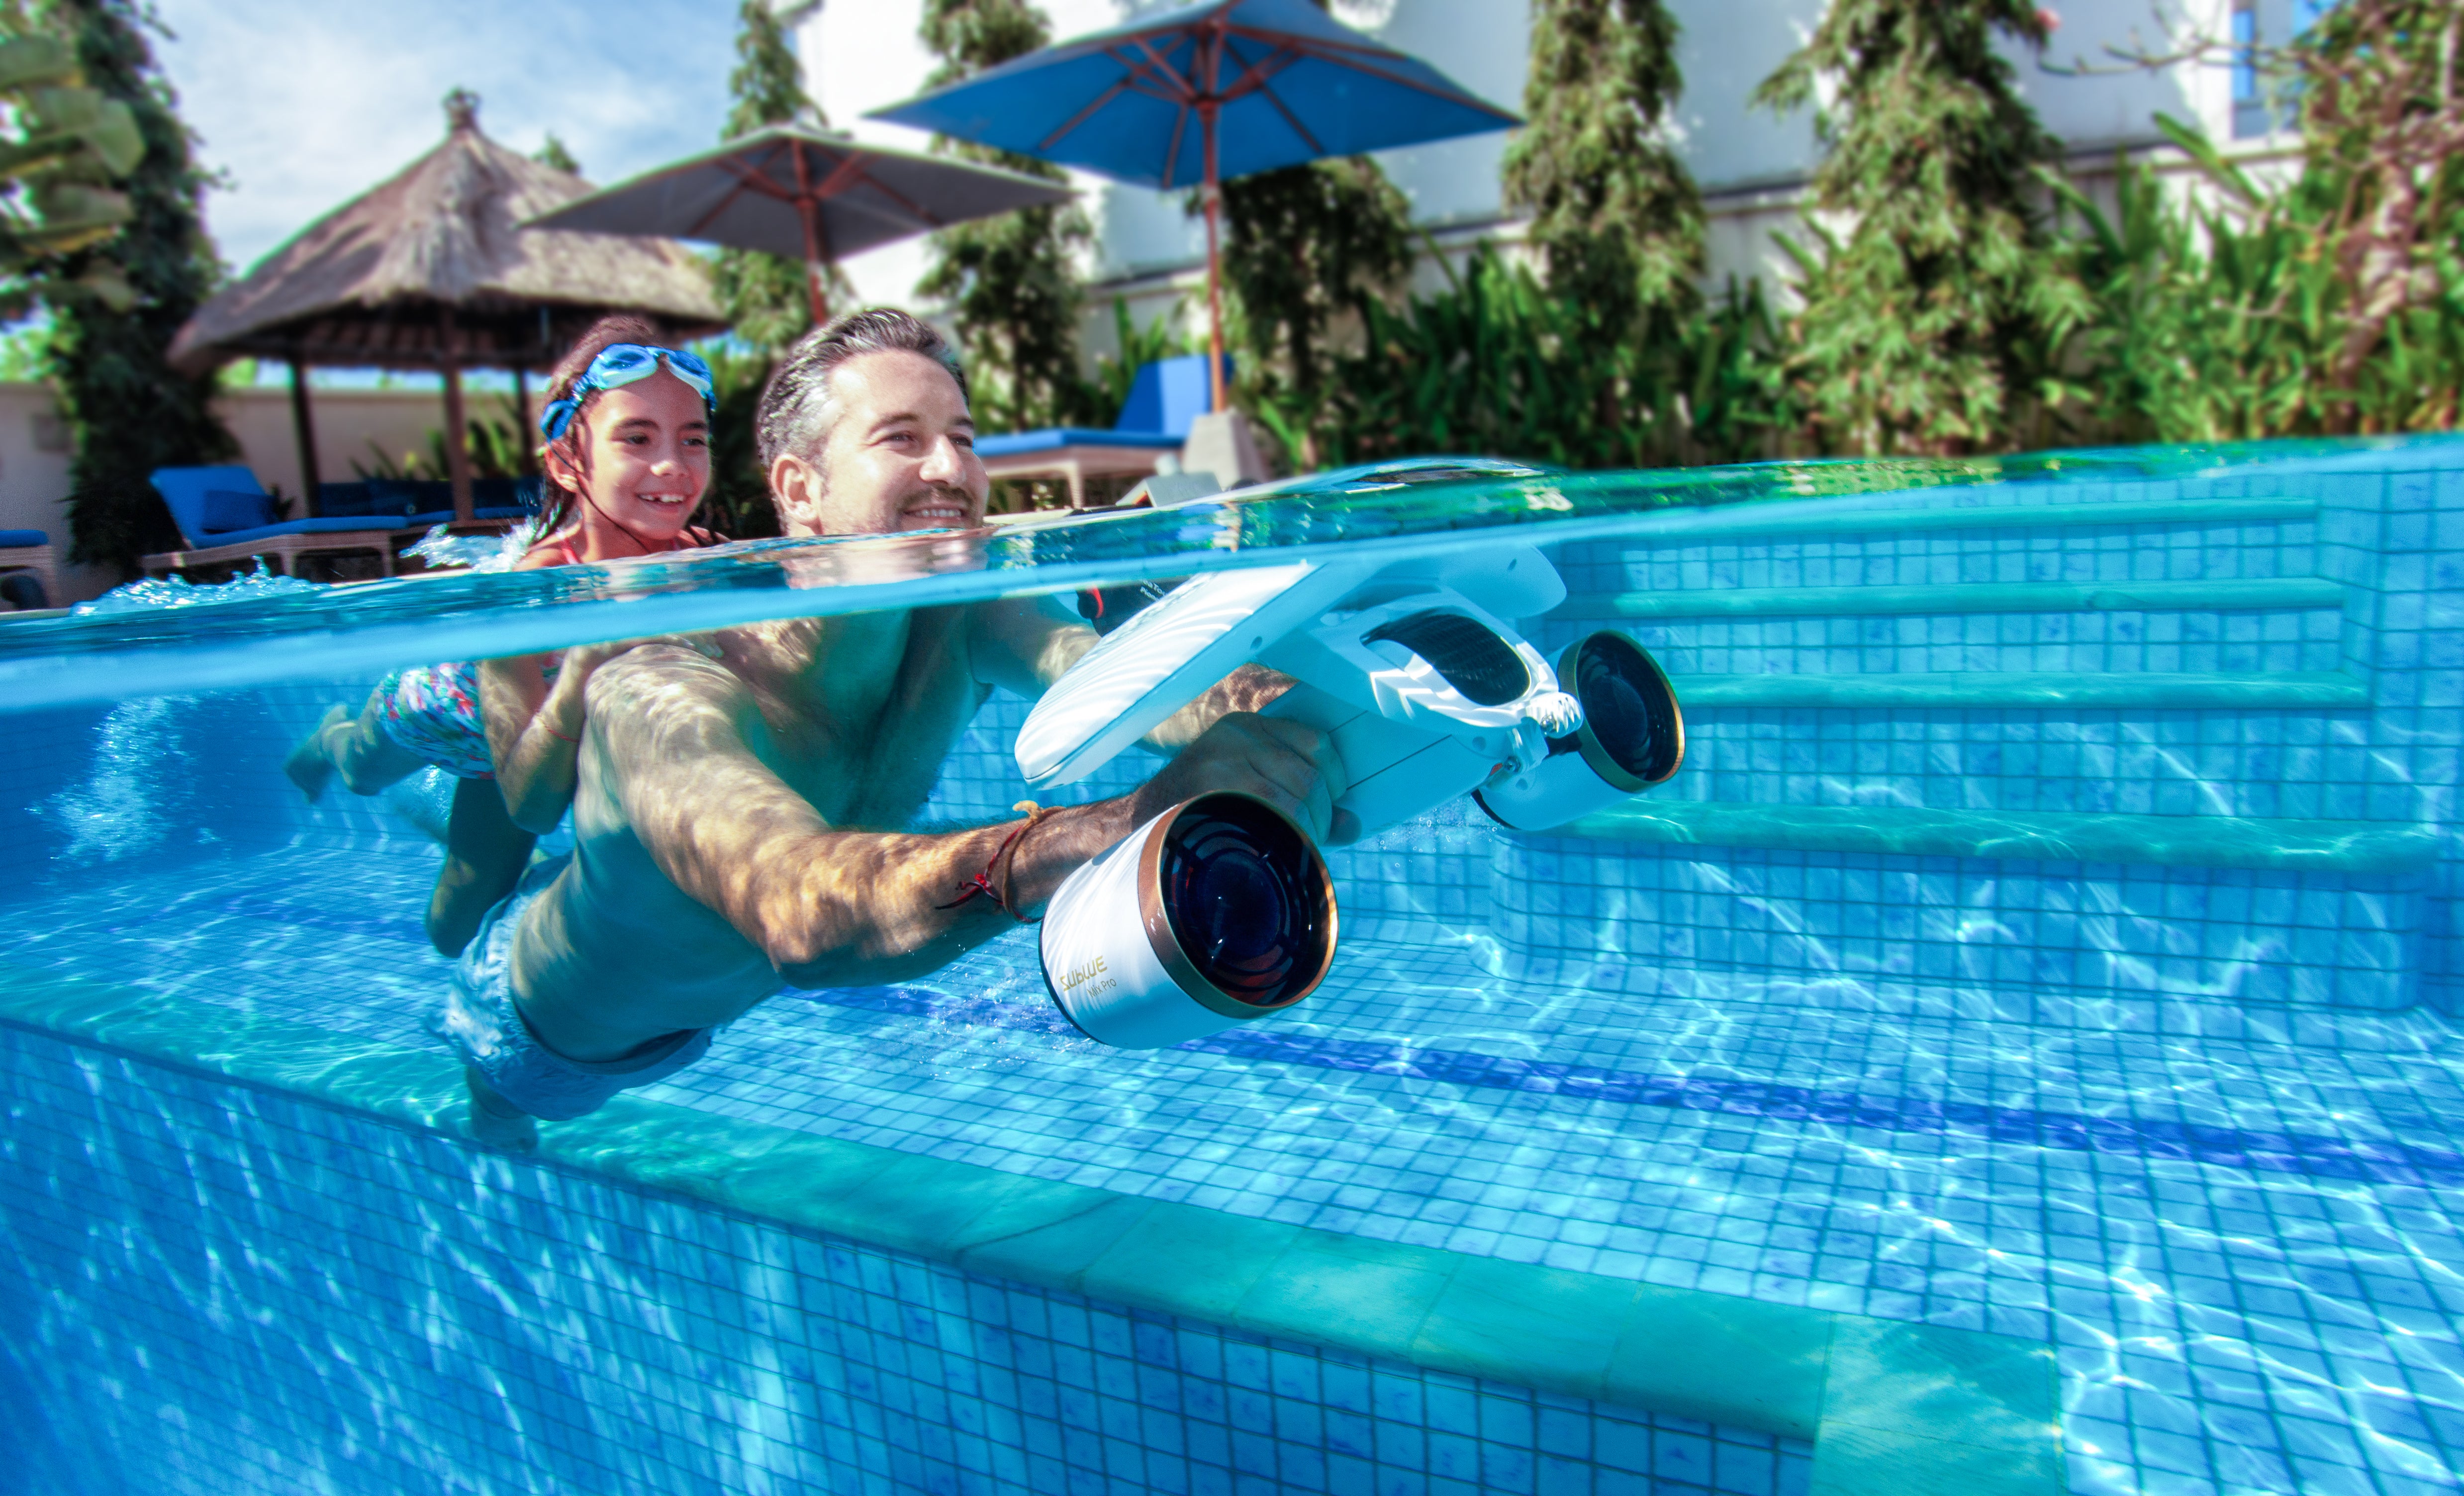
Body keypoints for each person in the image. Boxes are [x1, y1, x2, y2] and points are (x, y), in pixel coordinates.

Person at [435, 307, 1342, 1147]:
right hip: (550, 1032)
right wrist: (1126, 820)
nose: (950, 472)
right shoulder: (666, 689)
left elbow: (1126, 680)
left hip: (690, 989)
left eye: (960, 439)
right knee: (495, 1123)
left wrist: (1294, 710)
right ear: (799, 488)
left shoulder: (960, 617)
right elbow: (801, 918)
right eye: (900, 440)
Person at [283, 315, 723, 955]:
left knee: (457, 925)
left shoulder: (709, 557)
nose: (672, 466)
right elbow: (535, 807)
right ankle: (330, 735)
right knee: (360, 773)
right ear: (569, 463)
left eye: (692, 439)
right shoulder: (529, 595)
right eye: (636, 438)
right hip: (442, 708)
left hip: (517, 748)